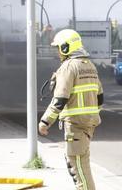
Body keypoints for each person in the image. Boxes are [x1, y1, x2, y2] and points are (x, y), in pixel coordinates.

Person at [38, 29, 103, 190]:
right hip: (88, 124)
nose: (58, 52)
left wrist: (45, 121)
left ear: (66, 48)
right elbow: (100, 98)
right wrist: (89, 115)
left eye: (58, 47)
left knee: (77, 166)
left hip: (75, 125)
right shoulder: (90, 66)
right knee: (81, 163)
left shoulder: (68, 67)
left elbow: (60, 99)